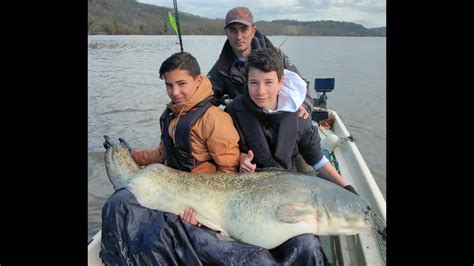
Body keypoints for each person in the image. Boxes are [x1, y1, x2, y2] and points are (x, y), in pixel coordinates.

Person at [100, 51, 326, 265]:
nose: (174, 92)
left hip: (206, 199)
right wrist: (133, 156)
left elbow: (228, 173)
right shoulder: (171, 116)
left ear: (198, 81)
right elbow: (163, 153)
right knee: (122, 204)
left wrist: (201, 209)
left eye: (181, 84)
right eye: (169, 85)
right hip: (181, 191)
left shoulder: (214, 119)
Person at [225, 47, 359, 193]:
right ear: (247, 82)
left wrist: (347, 187)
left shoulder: (299, 114)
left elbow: (317, 159)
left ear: (281, 82)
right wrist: (240, 158)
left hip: (288, 179)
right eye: (254, 83)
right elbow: (226, 148)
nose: (260, 91)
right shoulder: (234, 111)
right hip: (252, 183)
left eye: (268, 82)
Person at [208, 6, 313, 120]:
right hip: (247, 122)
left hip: (278, 116)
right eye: (233, 30)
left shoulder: (276, 54)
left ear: (253, 31)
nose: (239, 36)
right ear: (226, 32)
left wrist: (305, 105)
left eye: (244, 29)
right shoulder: (221, 67)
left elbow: (300, 83)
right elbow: (206, 96)